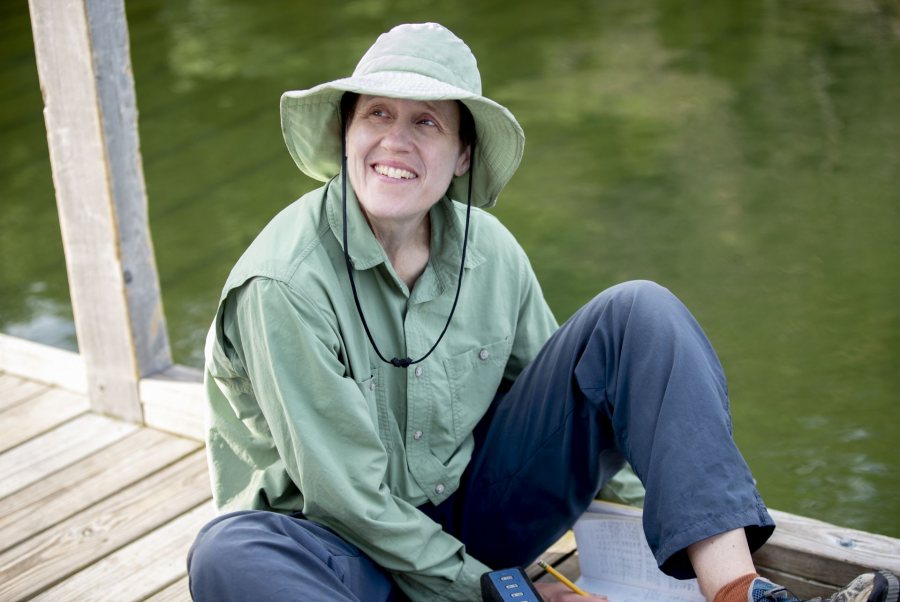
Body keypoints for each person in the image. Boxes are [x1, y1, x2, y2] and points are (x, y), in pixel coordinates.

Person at [187, 22, 898, 602]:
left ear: (462, 154)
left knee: (638, 312)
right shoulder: (282, 284)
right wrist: (497, 594)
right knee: (226, 555)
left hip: (472, 521)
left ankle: (737, 592)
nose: (396, 141)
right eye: (377, 113)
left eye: (426, 122)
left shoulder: (490, 252)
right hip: (340, 554)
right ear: (346, 131)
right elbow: (345, 500)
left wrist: (648, 523)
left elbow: (585, 405)